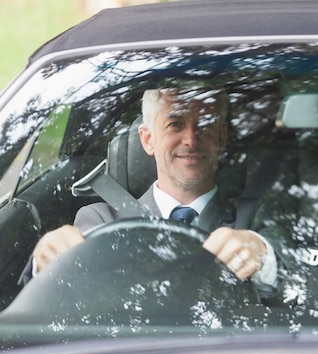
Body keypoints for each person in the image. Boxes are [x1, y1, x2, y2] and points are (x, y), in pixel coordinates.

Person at [23, 86, 278, 297]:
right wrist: (45, 263)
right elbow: (54, 302)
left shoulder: (256, 221)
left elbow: (301, 276)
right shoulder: (102, 220)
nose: (191, 139)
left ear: (222, 138)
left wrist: (264, 256)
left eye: (205, 125)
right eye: (175, 124)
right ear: (148, 140)